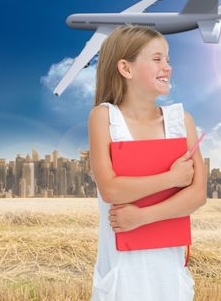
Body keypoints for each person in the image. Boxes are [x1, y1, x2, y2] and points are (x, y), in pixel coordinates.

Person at [88, 25, 207, 301]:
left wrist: (142, 217)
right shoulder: (103, 117)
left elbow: (197, 195)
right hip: (122, 278)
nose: (167, 67)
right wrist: (171, 179)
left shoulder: (181, 121)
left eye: (168, 59)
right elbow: (112, 190)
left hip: (169, 277)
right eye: (157, 59)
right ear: (125, 69)